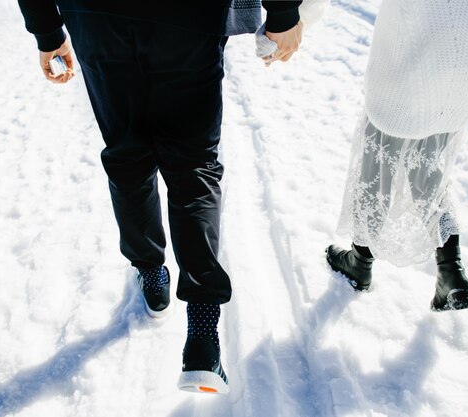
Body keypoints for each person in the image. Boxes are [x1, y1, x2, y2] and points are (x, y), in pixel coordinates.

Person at [17, 0, 303, 394]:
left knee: (127, 154)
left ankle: (152, 274)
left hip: (97, 17)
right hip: (185, 17)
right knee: (192, 165)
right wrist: (284, 11)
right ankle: (202, 337)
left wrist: (47, 29)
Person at [327, 0, 468, 311]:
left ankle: (360, 261)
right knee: (429, 169)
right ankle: (451, 270)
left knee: (379, 158)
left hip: (416, 49)